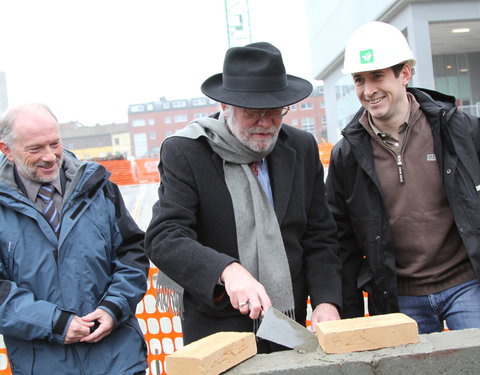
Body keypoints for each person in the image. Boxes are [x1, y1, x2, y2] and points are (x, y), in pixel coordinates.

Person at [145, 42, 342, 353]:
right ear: (225, 106)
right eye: (253, 113)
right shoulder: (186, 151)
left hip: (287, 328)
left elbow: (320, 235)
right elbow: (165, 237)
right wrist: (228, 271)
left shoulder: (301, 148)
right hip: (217, 333)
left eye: (275, 111)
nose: (266, 123)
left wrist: (326, 302)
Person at [326, 21, 480, 334]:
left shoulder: (459, 130)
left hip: (467, 285)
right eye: (359, 80)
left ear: (405, 74)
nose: (369, 90)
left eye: (378, 76)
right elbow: (340, 240)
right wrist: (351, 318)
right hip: (399, 297)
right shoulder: (347, 156)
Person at [0, 103, 149, 374]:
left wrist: (114, 307)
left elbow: (132, 255)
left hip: (118, 360)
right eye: (36, 148)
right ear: (7, 150)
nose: (49, 156)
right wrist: (53, 322)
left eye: (54, 143)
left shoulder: (99, 187)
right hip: (43, 364)